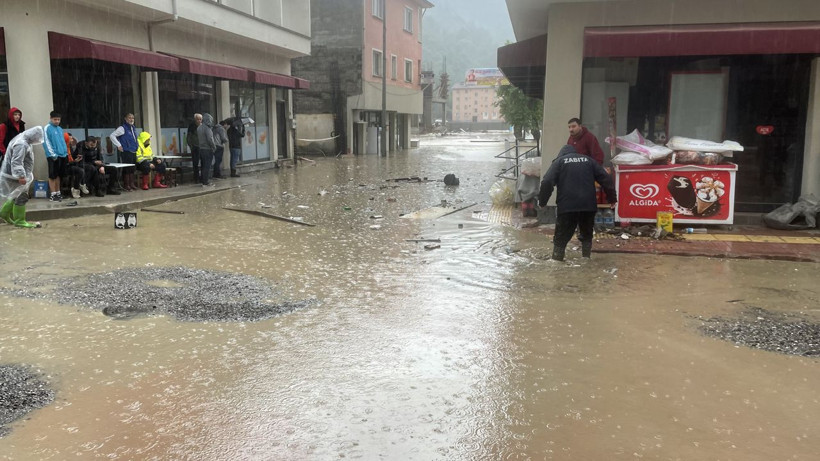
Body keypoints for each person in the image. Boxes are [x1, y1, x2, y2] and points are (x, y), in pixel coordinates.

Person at [538, 144, 617, 261]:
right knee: (587, 235)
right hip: (588, 207)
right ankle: (586, 259)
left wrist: (542, 201)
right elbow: (606, 178)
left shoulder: (559, 162)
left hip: (567, 207)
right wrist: (612, 199)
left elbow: (547, 181)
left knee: (560, 239)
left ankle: (557, 263)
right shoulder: (589, 161)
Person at [0, 126, 44, 228]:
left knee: (15, 194)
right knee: (21, 196)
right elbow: (16, 161)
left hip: (15, 175)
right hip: (15, 176)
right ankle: (20, 220)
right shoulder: (22, 144)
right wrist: (21, 176)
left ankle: (4, 213)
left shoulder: (24, 141)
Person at [109, 113, 139, 191]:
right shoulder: (122, 128)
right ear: (125, 119)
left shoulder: (133, 128)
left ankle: (131, 183)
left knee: (132, 168)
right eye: (129, 118)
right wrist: (118, 145)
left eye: (133, 118)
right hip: (126, 150)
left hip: (133, 150)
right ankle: (126, 184)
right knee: (127, 168)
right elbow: (112, 135)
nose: (131, 119)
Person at [44, 111, 68, 202]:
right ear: (50, 118)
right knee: (52, 175)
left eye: (58, 119)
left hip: (62, 155)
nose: (57, 121)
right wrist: (52, 154)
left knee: (59, 175)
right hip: (53, 155)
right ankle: (52, 194)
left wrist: (65, 153)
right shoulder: (47, 128)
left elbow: (62, 142)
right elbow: (46, 142)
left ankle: (58, 192)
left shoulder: (60, 129)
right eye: (55, 119)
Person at [64, 132, 88, 198]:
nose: (72, 140)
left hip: (71, 164)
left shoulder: (70, 147)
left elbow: (72, 157)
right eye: (70, 139)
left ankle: (82, 184)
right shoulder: (63, 148)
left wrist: (77, 157)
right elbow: (65, 162)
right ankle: (75, 188)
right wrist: (74, 161)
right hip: (65, 167)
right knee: (80, 171)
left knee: (83, 165)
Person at [196, 113, 216, 187]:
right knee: (207, 166)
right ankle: (206, 182)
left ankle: (203, 180)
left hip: (201, 149)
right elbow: (210, 139)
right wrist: (214, 147)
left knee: (203, 166)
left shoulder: (199, 128)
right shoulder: (207, 128)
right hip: (207, 149)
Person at [187, 114, 202, 182]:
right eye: (197, 119)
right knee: (195, 163)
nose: (199, 120)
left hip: (202, 147)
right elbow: (189, 138)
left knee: (203, 162)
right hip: (195, 147)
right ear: (195, 119)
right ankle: (196, 178)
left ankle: (202, 177)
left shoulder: (202, 127)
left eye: (200, 119)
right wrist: (191, 146)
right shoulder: (192, 127)